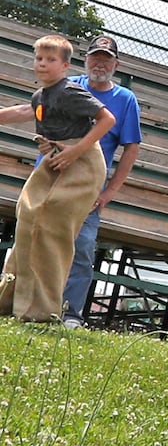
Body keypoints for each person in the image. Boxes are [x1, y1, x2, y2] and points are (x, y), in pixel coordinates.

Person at [0, 35, 116, 322]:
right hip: (56, 158)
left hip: (83, 161)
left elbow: (107, 120)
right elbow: (33, 115)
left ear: (65, 66)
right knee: (28, 218)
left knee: (51, 227)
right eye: (39, 58)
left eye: (51, 60)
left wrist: (77, 150)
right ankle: (12, 299)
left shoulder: (71, 91)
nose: (43, 64)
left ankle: (42, 310)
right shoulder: (42, 96)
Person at [61, 35, 142, 328]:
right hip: (53, 175)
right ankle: (22, 299)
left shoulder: (124, 99)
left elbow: (131, 146)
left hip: (90, 186)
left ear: (116, 64)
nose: (100, 63)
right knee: (37, 238)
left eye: (106, 59)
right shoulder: (69, 86)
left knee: (82, 247)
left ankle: (70, 313)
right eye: (95, 57)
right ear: (86, 60)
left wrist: (109, 192)